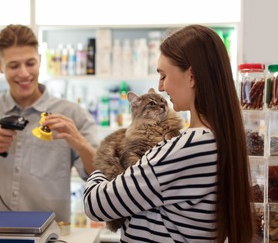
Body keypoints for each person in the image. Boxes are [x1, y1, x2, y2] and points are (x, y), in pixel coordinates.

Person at [84, 24, 254, 242]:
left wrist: (100, 168)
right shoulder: (217, 139)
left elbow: (96, 205)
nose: (161, 86)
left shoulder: (185, 148)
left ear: (191, 76)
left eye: (163, 75)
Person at [0, 24, 98, 222]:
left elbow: (98, 176)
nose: (24, 73)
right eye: (13, 66)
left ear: (40, 61)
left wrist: (80, 143)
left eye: (30, 63)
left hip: (50, 235)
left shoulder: (72, 114)